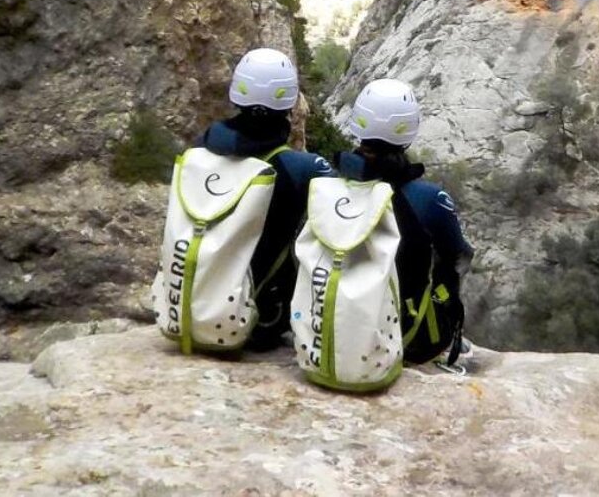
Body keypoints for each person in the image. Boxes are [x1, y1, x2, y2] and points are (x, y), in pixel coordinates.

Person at [196, 47, 333, 350]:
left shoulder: (198, 151)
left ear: (236, 94)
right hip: (263, 320)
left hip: (192, 303)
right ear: (290, 104)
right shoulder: (303, 170)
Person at [336, 78, 474, 366]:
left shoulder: (326, 184)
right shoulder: (429, 198)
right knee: (447, 263)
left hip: (329, 324)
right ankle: (435, 326)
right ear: (408, 131)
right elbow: (459, 256)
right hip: (407, 338)